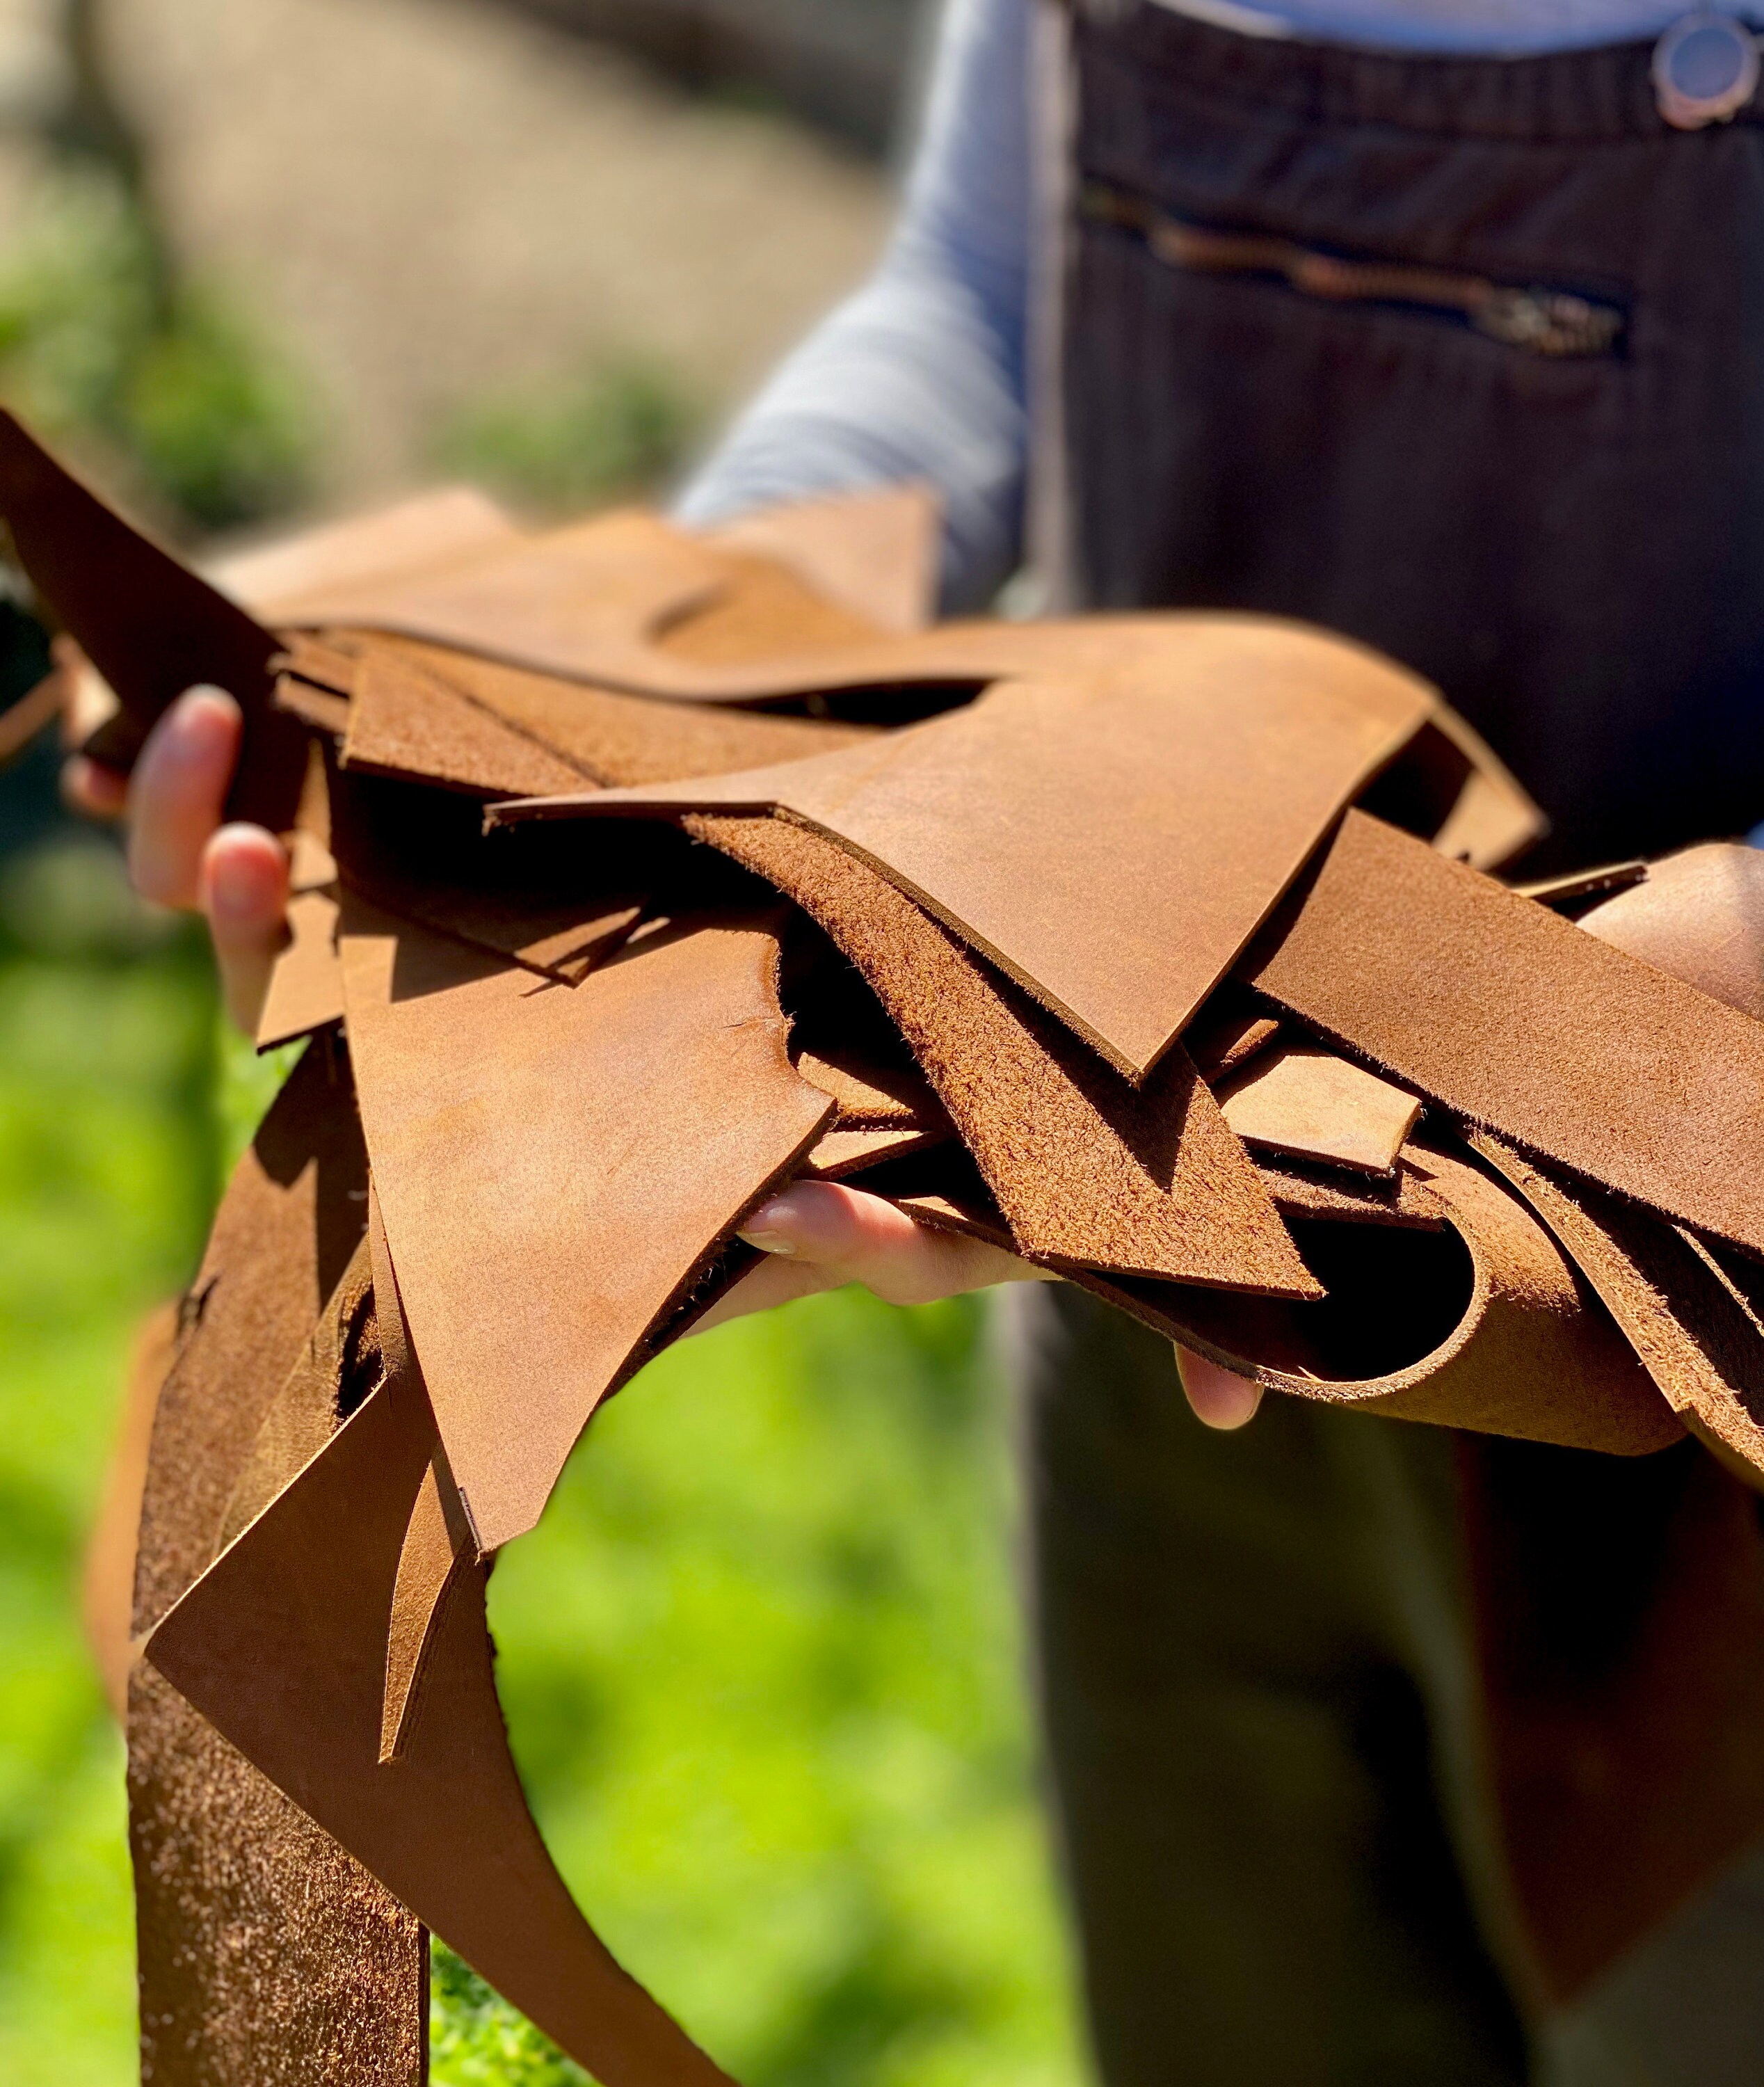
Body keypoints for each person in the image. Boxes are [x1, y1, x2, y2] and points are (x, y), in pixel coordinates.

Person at [69, 3, 1764, 2080]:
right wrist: (630, 701)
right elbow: (973, 305)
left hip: (1701, 1348)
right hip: (1172, 1350)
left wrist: (1575, 1045)